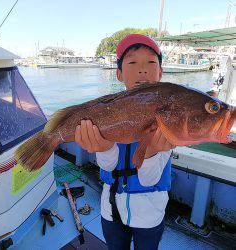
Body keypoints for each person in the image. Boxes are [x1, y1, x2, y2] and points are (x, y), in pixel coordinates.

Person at [75, 34, 175, 250]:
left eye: (151, 62)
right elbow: (109, 166)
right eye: (132, 62)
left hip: (150, 213)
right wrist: (103, 147)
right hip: (110, 208)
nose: (142, 69)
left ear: (160, 72)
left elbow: (149, 179)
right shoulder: (108, 110)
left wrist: (152, 151)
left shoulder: (168, 115)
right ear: (119, 74)